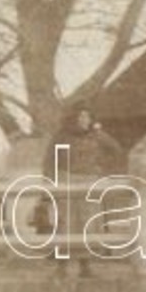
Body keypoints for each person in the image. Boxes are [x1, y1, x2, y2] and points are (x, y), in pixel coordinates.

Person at [41, 104, 125, 276]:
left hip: (89, 182)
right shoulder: (61, 137)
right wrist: (48, 187)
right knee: (66, 223)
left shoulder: (97, 136)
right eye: (81, 117)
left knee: (88, 223)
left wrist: (103, 170)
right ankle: (61, 267)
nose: (84, 120)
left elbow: (116, 150)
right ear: (73, 118)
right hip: (65, 181)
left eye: (87, 117)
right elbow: (49, 162)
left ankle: (85, 266)